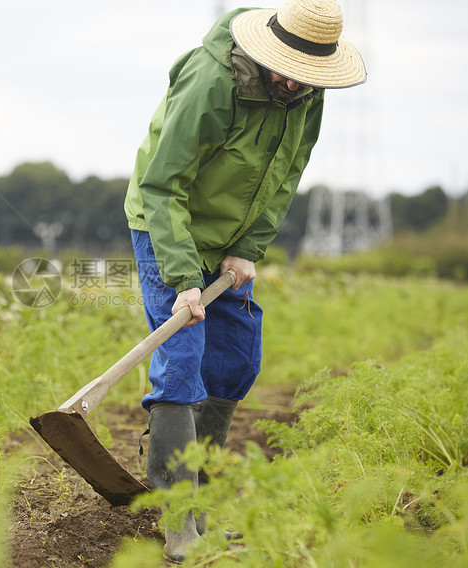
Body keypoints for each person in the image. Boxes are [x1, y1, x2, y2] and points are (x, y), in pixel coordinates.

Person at [123, 0, 365, 561]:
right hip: (168, 227)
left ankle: (203, 506)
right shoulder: (212, 80)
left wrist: (245, 250)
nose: (294, 83)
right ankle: (179, 520)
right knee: (181, 361)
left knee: (234, 359)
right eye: (287, 70)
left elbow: (287, 171)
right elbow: (163, 185)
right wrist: (184, 276)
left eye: (307, 77)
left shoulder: (307, 90)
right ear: (266, 50)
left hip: (231, 240)